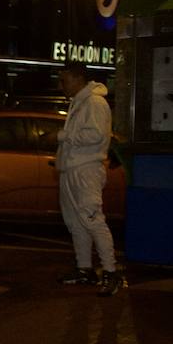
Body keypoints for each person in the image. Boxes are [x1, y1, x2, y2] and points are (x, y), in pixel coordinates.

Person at [55, 64, 121, 296]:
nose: (61, 85)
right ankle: (85, 269)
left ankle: (111, 273)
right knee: (76, 222)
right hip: (72, 169)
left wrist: (65, 136)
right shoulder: (81, 101)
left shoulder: (94, 102)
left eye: (64, 80)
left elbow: (96, 135)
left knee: (93, 220)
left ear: (78, 78)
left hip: (86, 170)